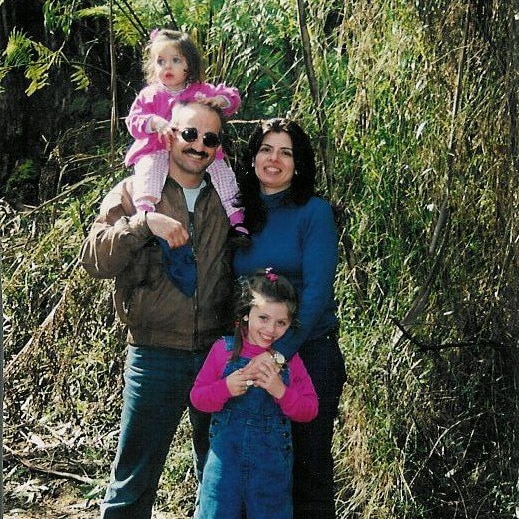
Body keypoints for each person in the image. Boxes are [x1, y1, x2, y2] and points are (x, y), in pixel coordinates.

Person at [79, 101, 234, 519]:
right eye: (189, 134)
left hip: (216, 356)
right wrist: (145, 225)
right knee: (133, 480)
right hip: (154, 355)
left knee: (219, 479)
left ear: (217, 148)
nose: (198, 145)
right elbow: (94, 259)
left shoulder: (229, 198)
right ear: (169, 134)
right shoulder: (135, 190)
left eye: (209, 138)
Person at [233, 118, 347, 519]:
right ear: (252, 158)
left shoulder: (314, 213)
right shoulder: (239, 215)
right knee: (253, 470)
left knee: (307, 473)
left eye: (286, 152)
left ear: (298, 164)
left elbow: (317, 293)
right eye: (266, 149)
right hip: (248, 359)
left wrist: (279, 355)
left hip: (308, 356)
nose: (274, 159)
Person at [190, 268, 318, 519]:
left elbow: (310, 409)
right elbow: (197, 398)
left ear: (291, 324)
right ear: (246, 315)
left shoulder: (290, 360)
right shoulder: (222, 350)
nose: (270, 329)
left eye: (281, 322)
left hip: (270, 468)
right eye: (263, 318)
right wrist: (224, 388)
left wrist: (280, 391)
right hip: (224, 465)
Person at [124, 28, 247, 237]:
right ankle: (146, 215)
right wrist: (154, 123)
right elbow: (133, 121)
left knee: (224, 176)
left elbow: (232, 96)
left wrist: (220, 101)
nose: (167, 66)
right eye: (161, 61)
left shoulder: (199, 90)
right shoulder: (150, 95)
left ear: (189, 64)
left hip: (198, 149)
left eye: (175, 60)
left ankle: (237, 221)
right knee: (147, 174)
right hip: (157, 149)